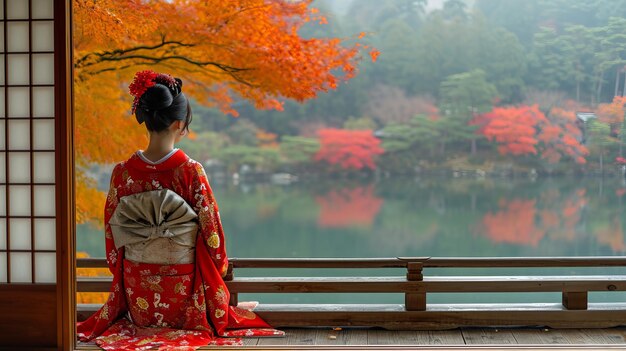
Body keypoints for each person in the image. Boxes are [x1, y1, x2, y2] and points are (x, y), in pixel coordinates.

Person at [77, 70, 283, 350]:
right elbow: (213, 237)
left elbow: (113, 238)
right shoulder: (190, 171)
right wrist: (219, 269)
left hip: (137, 291)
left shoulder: (123, 173)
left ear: (146, 119)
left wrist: (127, 267)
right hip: (184, 295)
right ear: (179, 123)